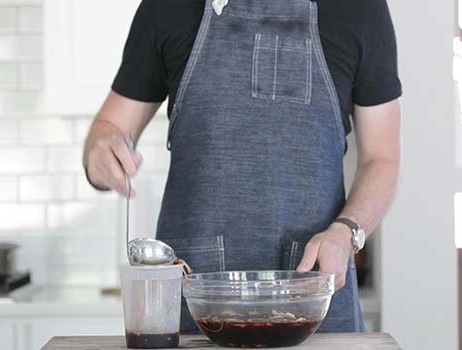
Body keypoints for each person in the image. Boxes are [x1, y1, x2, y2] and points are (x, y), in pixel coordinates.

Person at [83, 0, 401, 333]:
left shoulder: (360, 8)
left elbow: (382, 158)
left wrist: (346, 232)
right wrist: (100, 151)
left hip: (316, 307)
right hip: (195, 311)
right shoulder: (166, 7)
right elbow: (110, 128)